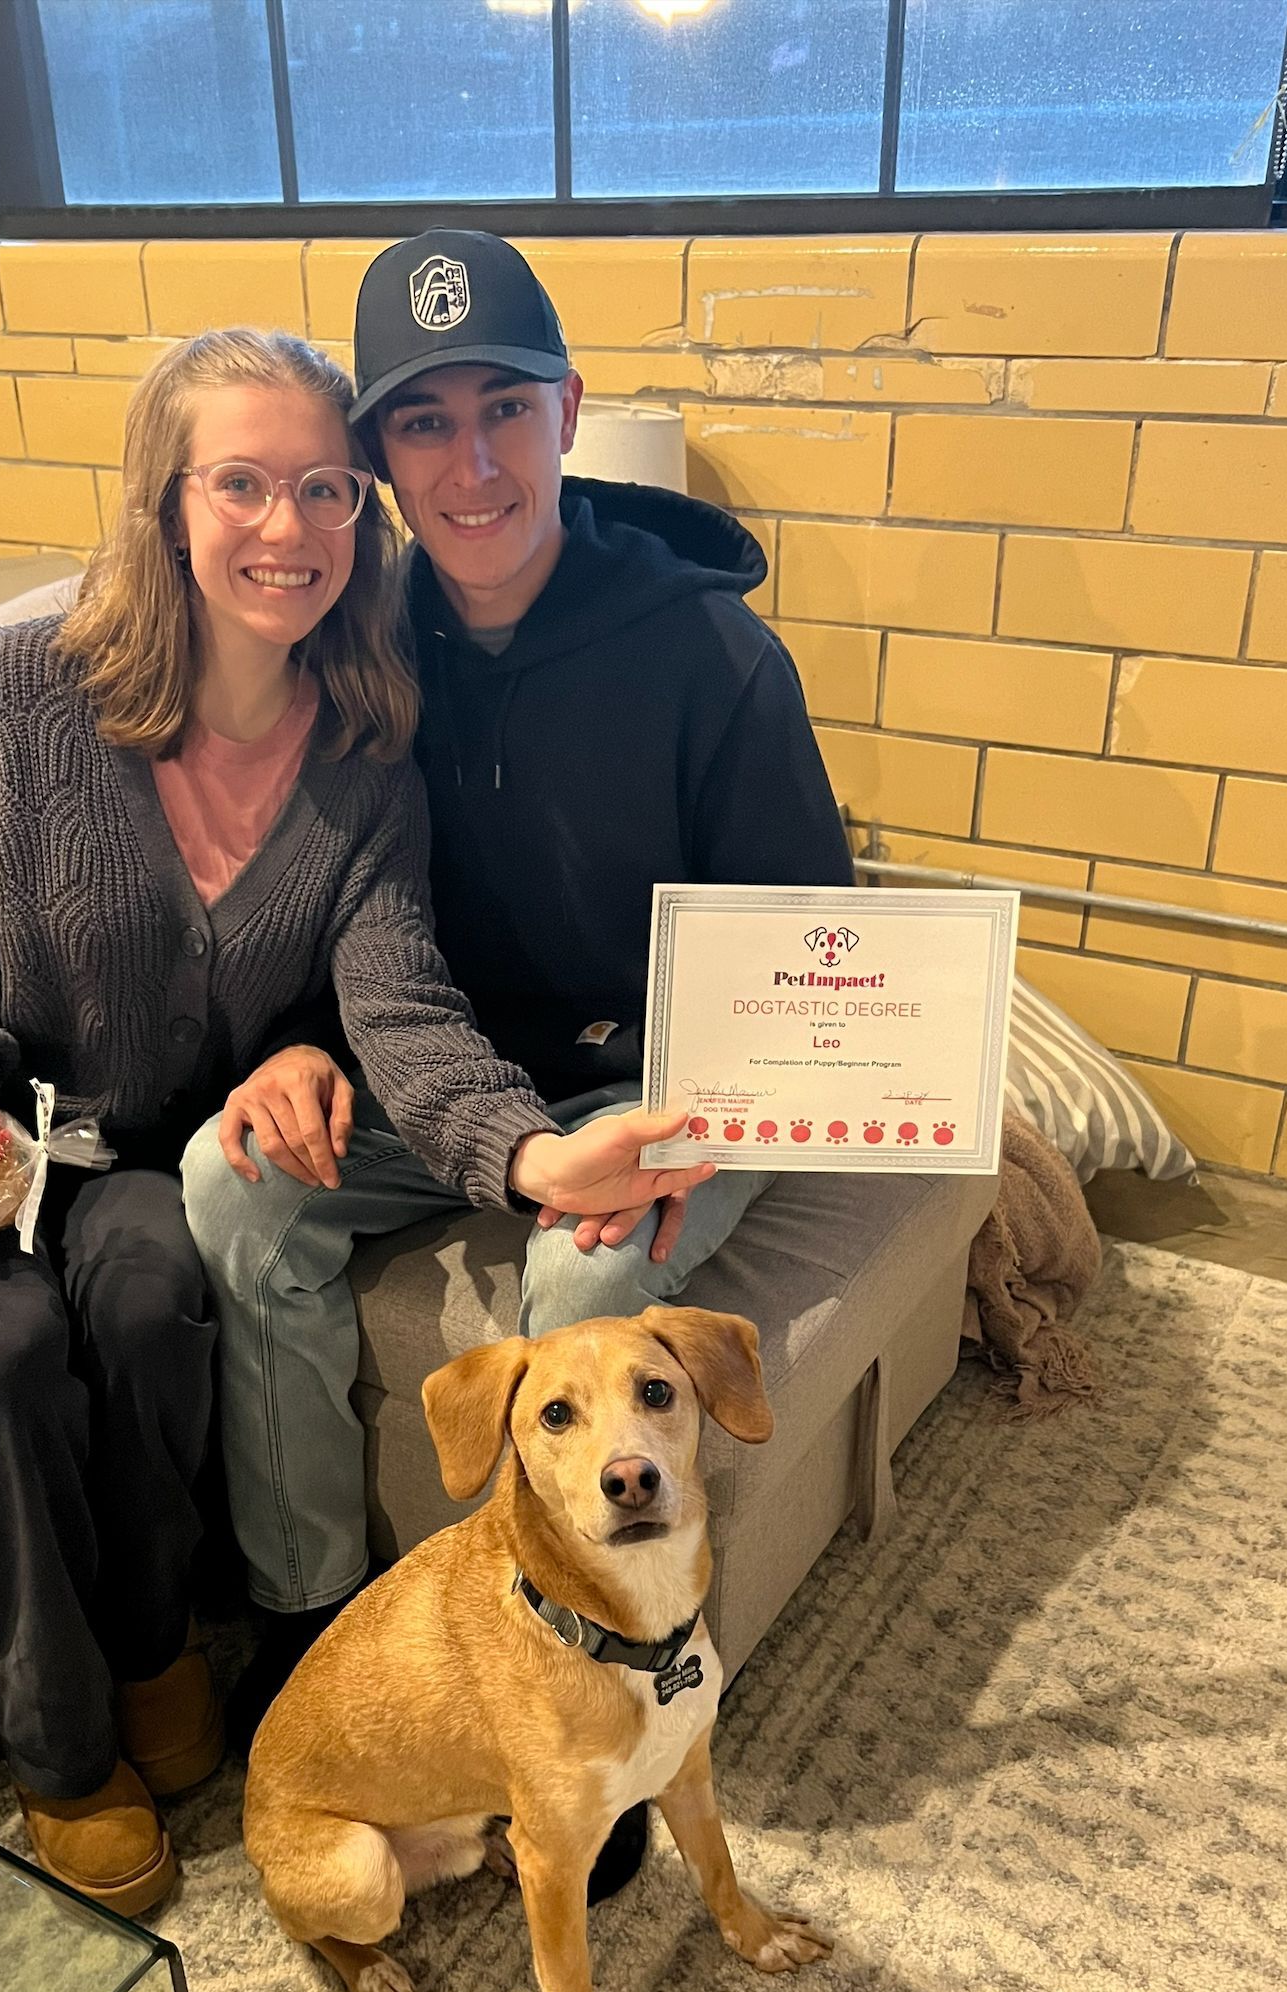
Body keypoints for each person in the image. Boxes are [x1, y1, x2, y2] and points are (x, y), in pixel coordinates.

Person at [0, 326, 706, 1915]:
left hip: (143, 1160)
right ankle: (54, 1745)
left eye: (323, 489)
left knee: (162, 1293)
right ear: (165, 502)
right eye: (242, 484)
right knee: (5, 1346)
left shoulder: (370, 756)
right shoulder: (23, 698)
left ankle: (168, 1647)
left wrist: (512, 1150)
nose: (289, 529)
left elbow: (399, 1003)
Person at [181, 233, 855, 1894]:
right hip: (455, 1076)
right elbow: (315, 886)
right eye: (421, 427)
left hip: (674, 1084)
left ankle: (612, 1697)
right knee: (229, 1187)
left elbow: (810, 948)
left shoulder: (709, 655)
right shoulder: (355, 630)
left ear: (568, 412)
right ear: (377, 463)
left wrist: (713, 1113)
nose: (468, 463)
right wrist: (288, 1050)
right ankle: (308, 1619)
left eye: (504, 410)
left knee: (577, 1297)